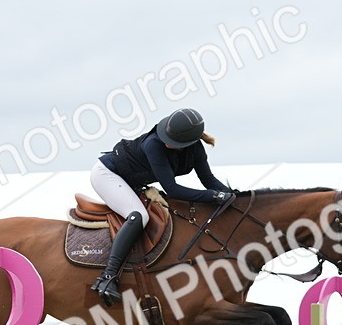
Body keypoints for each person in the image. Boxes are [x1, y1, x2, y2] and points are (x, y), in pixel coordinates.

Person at [89, 107, 235, 306]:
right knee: (139, 216)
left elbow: (209, 180)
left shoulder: (196, 149)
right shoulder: (153, 144)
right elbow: (172, 189)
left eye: (173, 141)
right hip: (107, 175)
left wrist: (234, 196)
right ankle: (107, 277)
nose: (166, 141)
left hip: (132, 182)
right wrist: (214, 196)